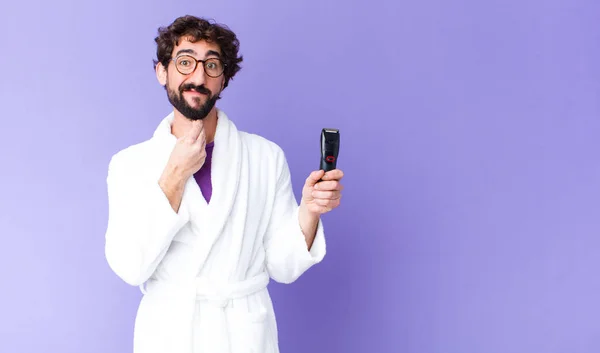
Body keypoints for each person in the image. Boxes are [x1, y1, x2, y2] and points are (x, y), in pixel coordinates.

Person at [103, 15, 344, 353]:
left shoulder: (264, 156)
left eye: (212, 65)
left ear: (224, 79)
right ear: (162, 71)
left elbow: (283, 266)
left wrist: (309, 211)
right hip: (170, 335)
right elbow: (131, 266)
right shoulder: (129, 165)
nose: (198, 77)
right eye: (185, 62)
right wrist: (174, 173)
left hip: (243, 335)